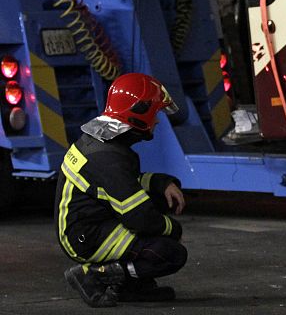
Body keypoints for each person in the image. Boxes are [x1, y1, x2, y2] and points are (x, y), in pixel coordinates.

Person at [55, 72, 188, 307]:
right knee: (170, 252)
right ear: (139, 114)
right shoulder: (108, 159)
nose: (156, 121)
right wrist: (172, 228)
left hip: (90, 223)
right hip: (86, 238)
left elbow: (127, 183)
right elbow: (140, 218)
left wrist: (161, 183)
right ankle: (95, 277)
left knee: (160, 205)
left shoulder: (104, 143)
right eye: (154, 113)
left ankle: (131, 286)